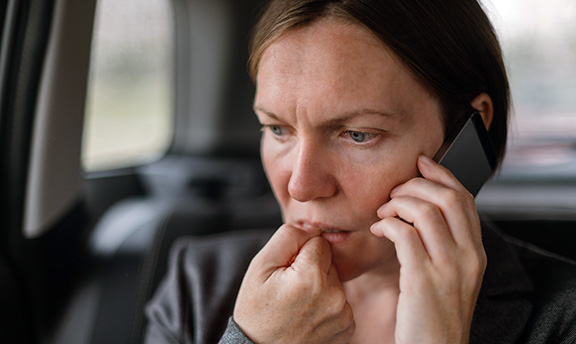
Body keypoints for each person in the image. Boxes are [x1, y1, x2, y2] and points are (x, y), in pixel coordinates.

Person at [145, 0, 576, 343]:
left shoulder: (563, 316)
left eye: (357, 135)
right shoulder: (198, 285)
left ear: (468, 129)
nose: (301, 185)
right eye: (278, 129)